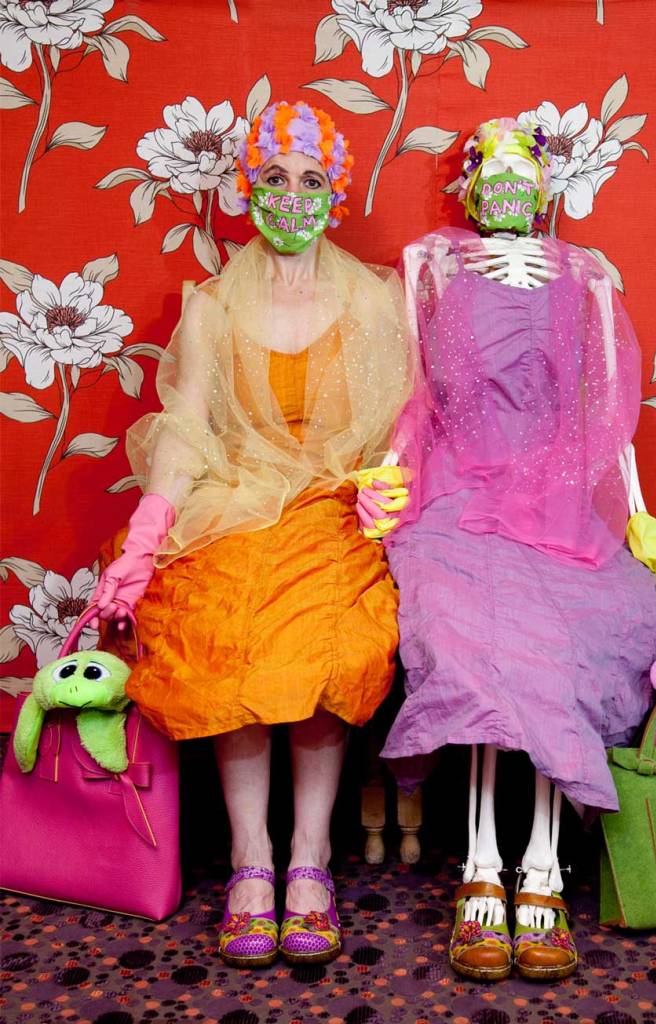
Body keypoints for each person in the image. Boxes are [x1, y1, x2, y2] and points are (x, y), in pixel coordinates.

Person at [94, 100, 413, 968]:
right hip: (232, 501)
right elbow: (186, 429)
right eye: (275, 177)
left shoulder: (374, 299)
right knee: (223, 628)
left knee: (324, 640)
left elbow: (404, 426)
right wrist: (147, 532)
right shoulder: (210, 306)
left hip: (329, 505)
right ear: (247, 189)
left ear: (334, 195)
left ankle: (309, 856)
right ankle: (250, 858)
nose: (292, 195)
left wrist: (388, 488)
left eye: (311, 179)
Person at [359, 118, 656, 981]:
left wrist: (640, 522)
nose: (503, 188)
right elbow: (404, 392)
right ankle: (482, 867)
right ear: (466, 186)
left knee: (571, 638)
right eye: (487, 173)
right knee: (480, 640)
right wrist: (383, 482)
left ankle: (543, 871)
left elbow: (608, 412)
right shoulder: (428, 264)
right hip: (454, 493)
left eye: (519, 173)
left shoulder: (586, 274)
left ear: (542, 189)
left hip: (558, 502)